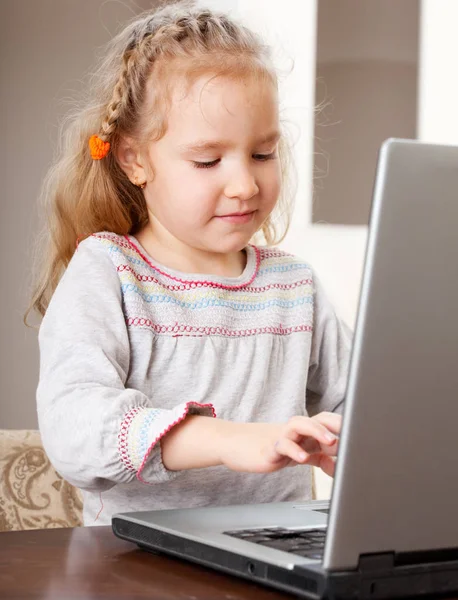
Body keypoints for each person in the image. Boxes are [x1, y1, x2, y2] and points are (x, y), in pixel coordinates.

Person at [30, 1, 352, 526]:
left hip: (274, 550)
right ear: (135, 160)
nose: (245, 184)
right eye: (208, 161)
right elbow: (74, 428)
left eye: (263, 154)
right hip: (132, 565)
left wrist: (352, 442)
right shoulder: (109, 272)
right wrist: (221, 439)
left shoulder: (294, 285)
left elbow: (358, 402)